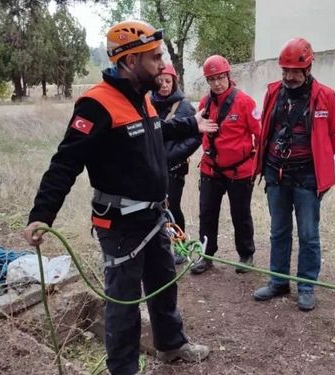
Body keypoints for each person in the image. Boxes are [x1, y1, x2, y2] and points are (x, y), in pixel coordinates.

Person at [23, 20, 215, 375]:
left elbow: (153, 132)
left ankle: (171, 345)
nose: (162, 63)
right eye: (154, 57)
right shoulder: (96, 105)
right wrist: (41, 215)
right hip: (121, 223)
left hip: (154, 217)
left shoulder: (142, 98)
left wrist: (191, 124)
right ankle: (124, 368)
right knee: (123, 302)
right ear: (128, 60)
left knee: (163, 285)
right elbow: (66, 163)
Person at [251, 38, 335, 311]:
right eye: (285, 71)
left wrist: (317, 158)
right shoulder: (273, 93)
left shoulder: (325, 95)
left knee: (308, 234)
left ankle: (306, 286)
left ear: (308, 69)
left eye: (295, 72)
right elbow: (265, 127)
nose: (289, 77)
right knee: (278, 231)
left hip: (307, 176)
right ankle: (278, 281)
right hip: (276, 174)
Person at [190, 55, 261, 275]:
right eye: (212, 79)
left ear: (228, 76)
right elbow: (198, 130)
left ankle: (246, 255)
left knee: (240, 214)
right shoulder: (205, 104)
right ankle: (206, 255)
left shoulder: (245, 102)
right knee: (207, 213)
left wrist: (256, 166)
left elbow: (259, 134)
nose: (217, 83)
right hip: (211, 169)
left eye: (220, 77)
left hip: (239, 171)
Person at [151, 63, 200, 265]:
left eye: (168, 81)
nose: (164, 85)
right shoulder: (148, 104)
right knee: (155, 208)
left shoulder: (185, 107)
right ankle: (158, 247)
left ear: (174, 82)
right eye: (160, 81)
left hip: (174, 168)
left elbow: (195, 137)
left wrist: (172, 156)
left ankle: (180, 246)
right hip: (152, 167)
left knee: (172, 207)